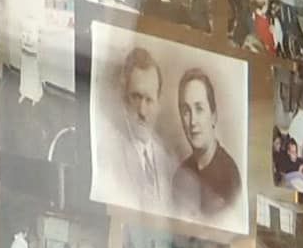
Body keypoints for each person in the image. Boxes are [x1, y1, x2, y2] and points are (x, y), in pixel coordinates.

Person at [102, 46, 178, 211]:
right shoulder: (108, 152)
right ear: (124, 98)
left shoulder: (168, 162)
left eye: (149, 100)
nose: (142, 111)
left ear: (158, 103)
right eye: (136, 97)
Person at [170, 58, 242, 220]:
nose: (193, 121)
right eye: (186, 111)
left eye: (199, 109)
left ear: (213, 116)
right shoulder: (180, 175)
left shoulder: (229, 177)